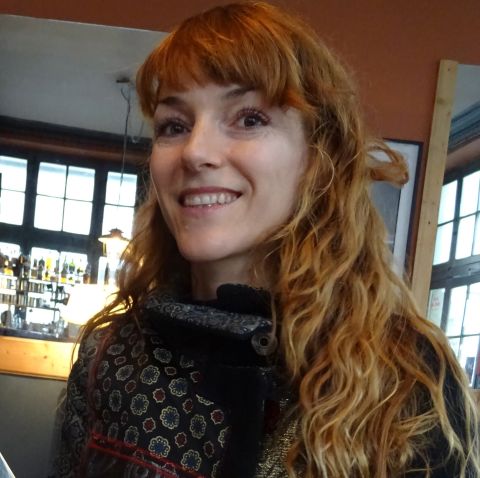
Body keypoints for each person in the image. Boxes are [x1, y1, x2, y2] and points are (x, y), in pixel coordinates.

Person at [51, 2, 479, 477]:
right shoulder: (110, 356)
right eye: (175, 125)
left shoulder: (407, 379)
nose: (195, 151)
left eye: (249, 118)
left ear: (317, 156)